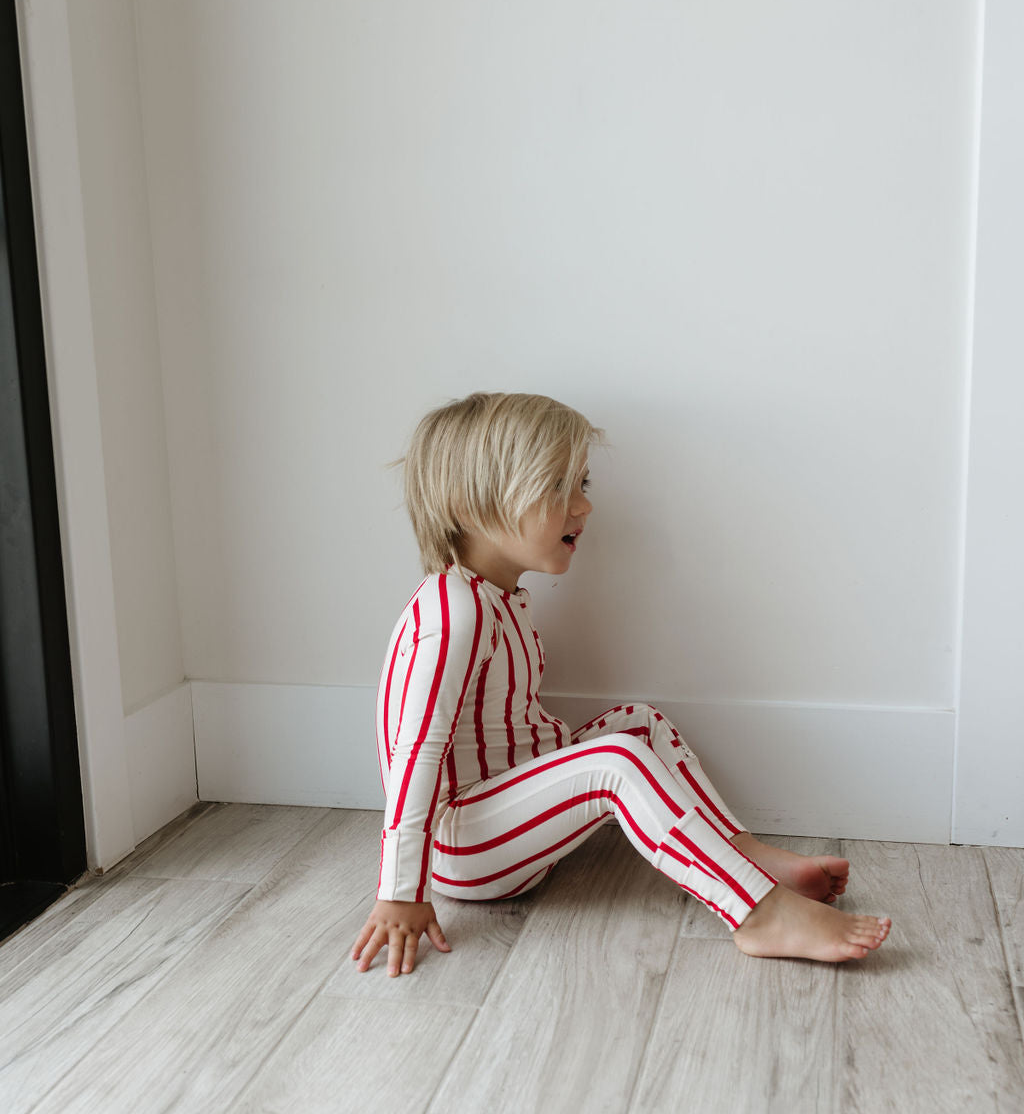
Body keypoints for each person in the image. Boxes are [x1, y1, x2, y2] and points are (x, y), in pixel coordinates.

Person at [351, 391, 891, 978]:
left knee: (639, 721)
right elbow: (415, 756)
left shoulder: (495, 599)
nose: (583, 507)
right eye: (559, 489)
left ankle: (743, 858)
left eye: (581, 484)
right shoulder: (452, 612)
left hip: (503, 820)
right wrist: (400, 889)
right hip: (467, 849)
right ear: (474, 503)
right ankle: (757, 913)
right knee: (617, 758)